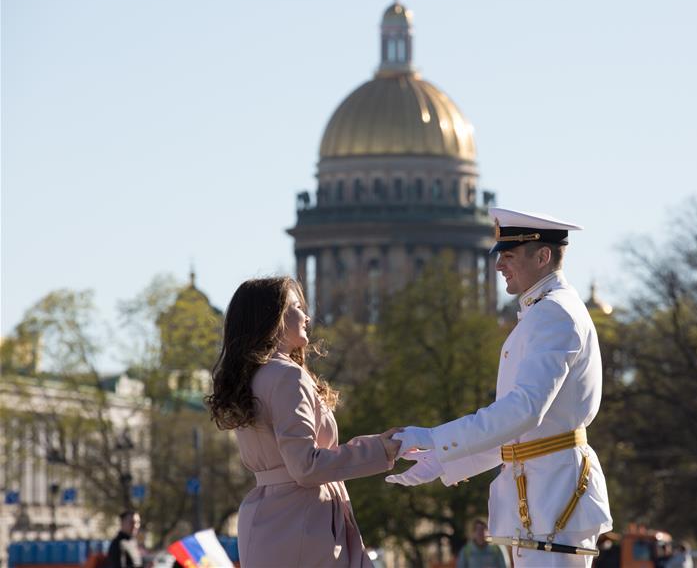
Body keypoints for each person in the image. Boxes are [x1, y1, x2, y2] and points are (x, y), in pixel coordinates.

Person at [386, 208, 613, 567]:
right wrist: (446, 459)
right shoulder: (544, 311)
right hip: (544, 498)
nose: (498, 266)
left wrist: (434, 437)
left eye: (508, 256)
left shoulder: (554, 312)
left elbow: (524, 411)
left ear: (542, 256)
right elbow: (524, 433)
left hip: (551, 499)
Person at [206, 277, 401, 568]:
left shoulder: (252, 376)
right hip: (303, 523)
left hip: (268, 522)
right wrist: (379, 450)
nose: (307, 316)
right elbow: (305, 466)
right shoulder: (287, 376)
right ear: (274, 318)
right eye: (297, 307)